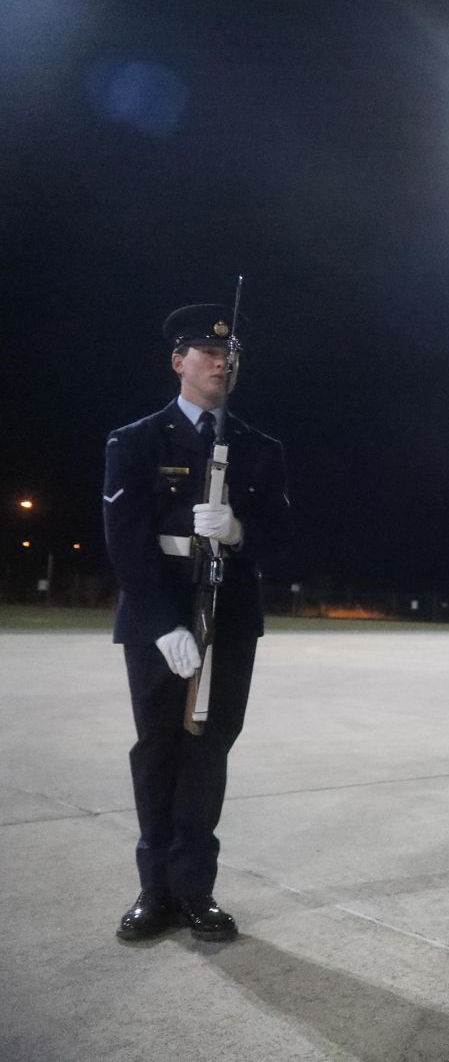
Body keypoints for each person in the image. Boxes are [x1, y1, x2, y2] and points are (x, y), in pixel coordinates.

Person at [105, 303, 290, 942]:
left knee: (208, 750)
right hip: (160, 619)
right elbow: (126, 541)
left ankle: (194, 889)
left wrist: (239, 530)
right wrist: (162, 624)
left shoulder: (261, 449)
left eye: (229, 355)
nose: (220, 362)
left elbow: (280, 534)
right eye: (207, 353)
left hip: (230, 617)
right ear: (179, 361)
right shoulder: (136, 442)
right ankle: (154, 889)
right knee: (158, 749)